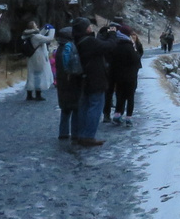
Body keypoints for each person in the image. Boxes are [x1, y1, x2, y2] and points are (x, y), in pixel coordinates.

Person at [73, 18, 109, 147]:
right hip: (96, 79)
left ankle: (81, 134)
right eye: (89, 26)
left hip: (85, 79)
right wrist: (113, 34)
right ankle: (88, 136)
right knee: (95, 107)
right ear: (85, 28)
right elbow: (108, 46)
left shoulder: (78, 40)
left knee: (85, 107)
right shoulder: (89, 41)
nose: (91, 27)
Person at [107, 27, 143, 126]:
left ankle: (117, 115)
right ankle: (128, 118)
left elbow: (111, 61)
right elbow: (136, 60)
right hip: (130, 76)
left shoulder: (115, 46)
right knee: (130, 97)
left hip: (118, 76)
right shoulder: (129, 47)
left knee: (120, 96)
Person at [54, 25, 81, 141]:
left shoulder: (60, 48)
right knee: (75, 108)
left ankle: (63, 132)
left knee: (65, 108)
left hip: (62, 82)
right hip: (71, 82)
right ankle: (75, 133)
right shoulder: (70, 48)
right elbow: (74, 66)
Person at [21, 22, 55, 101]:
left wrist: (45, 29)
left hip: (32, 58)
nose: (37, 26)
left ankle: (29, 94)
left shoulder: (28, 35)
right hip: (38, 58)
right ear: (33, 27)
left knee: (31, 75)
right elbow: (49, 38)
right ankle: (38, 94)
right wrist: (52, 29)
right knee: (39, 76)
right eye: (35, 25)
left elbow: (40, 35)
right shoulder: (36, 36)